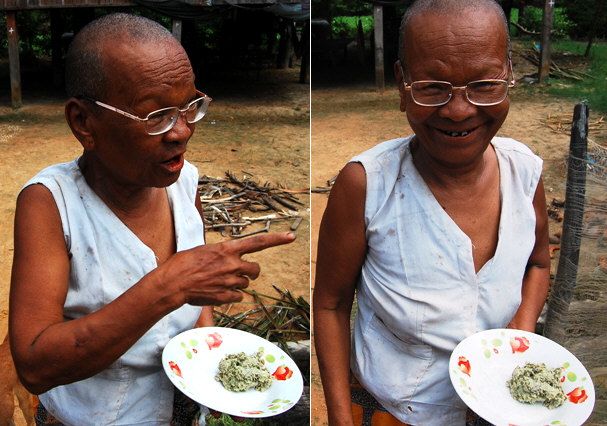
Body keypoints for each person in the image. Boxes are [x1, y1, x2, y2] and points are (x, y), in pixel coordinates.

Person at [9, 13, 295, 425]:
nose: (181, 132)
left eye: (190, 107)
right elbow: (35, 365)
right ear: (84, 122)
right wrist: (167, 286)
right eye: (156, 115)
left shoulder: (185, 182)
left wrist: (209, 363)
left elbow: (195, 295)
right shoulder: (51, 204)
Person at [313, 0, 550, 425]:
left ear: (508, 75)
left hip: (501, 407)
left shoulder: (525, 173)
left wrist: (523, 323)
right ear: (403, 83)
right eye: (432, 86)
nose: (458, 110)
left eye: (483, 84)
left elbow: (536, 262)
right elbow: (331, 305)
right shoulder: (367, 185)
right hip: (394, 410)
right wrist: (339, 416)